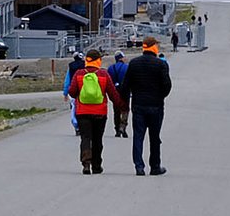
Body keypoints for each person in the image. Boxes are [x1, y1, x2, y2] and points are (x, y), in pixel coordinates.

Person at [119, 35, 172, 176]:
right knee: (155, 137)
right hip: (156, 105)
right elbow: (167, 85)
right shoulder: (161, 64)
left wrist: (126, 102)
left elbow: (125, 86)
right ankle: (155, 166)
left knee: (138, 137)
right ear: (154, 46)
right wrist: (160, 96)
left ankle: (139, 167)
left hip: (138, 106)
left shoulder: (134, 64)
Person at [69, 49, 116, 174]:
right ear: (98, 60)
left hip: (82, 112)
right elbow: (112, 93)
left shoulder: (79, 73)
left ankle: (86, 164)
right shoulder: (103, 74)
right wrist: (122, 105)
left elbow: (72, 92)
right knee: (97, 139)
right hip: (100, 112)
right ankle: (96, 165)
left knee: (85, 138)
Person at [107, 51, 130, 137]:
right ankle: (123, 127)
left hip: (115, 91)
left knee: (116, 110)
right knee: (125, 109)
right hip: (125, 91)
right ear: (121, 58)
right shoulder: (127, 67)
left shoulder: (110, 68)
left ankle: (117, 129)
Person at [62, 52, 86, 133]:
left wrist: (65, 93)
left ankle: (76, 126)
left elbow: (67, 81)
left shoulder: (71, 66)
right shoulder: (85, 66)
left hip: (73, 89)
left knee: (74, 108)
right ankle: (84, 125)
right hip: (84, 89)